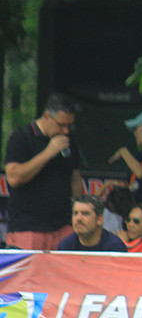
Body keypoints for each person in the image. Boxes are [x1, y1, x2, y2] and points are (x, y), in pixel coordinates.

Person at [4, 93, 85, 249]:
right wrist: (48, 153)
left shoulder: (69, 140)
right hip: (29, 227)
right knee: (30, 273)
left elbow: (75, 177)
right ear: (47, 116)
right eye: (61, 125)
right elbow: (14, 178)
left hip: (63, 226)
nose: (66, 130)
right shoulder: (22, 137)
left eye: (69, 126)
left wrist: (78, 211)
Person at [57, 195, 128, 252]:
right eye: (75, 213)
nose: (78, 218)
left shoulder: (115, 246)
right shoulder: (65, 246)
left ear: (99, 219)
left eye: (85, 214)